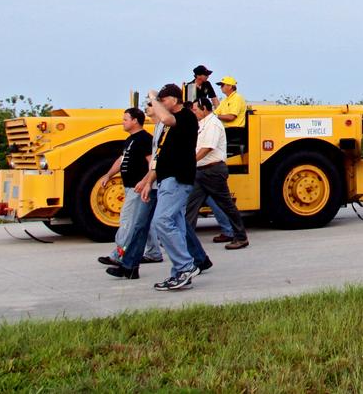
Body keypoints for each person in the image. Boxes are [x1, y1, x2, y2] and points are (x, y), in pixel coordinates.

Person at [136, 83, 202, 291]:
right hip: (166, 178)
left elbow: (165, 117)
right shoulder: (169, 127)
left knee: (162, 221)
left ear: (173, 100)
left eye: (163, 102)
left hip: (177, 178)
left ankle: (185, 266)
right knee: (176, 224)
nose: (158, 106)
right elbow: (161, 157)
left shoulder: (185, 117)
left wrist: (153, 97)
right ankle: (181, 274)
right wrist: (148, 181)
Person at [183, 97, 249, 252]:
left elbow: (207, 148)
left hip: (212, 171)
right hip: (201, 171)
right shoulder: (202, 124)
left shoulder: (213, 124)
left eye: (195, 109)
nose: (194, 112)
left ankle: (240, 237)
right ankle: (185, 239)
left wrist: (189, 162)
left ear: (204, 109)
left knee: (226, 205)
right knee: (190, 206)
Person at [96, 107, 155, 268]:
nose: (123, 122)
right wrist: (108, 175)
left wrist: (145, 181)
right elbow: (121, 160)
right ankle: (154, 252)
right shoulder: (130, 140)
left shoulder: (144, 139)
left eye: (125, 119)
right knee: (141, 221)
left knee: (127, 221)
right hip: (129, 186)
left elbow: (152, 163)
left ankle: (118, 255)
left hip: (138, 188)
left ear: (135, 121)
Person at [207, 75, 245, 241]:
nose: (221, 87)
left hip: (234, 131)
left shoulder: (236, 99)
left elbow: (231, 117)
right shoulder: (226, 99)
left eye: (223, 85)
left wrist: (213, 117)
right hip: (226, 130)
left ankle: (230, 230)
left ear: (230, 86)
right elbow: (216, 113)